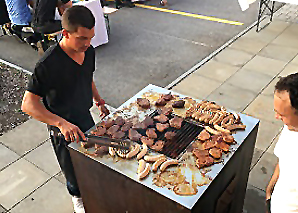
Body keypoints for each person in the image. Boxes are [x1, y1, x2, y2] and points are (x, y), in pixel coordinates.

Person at [21, 5, 109, 213]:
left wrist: (99, 100)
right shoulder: (47, 64)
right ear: (65, 33)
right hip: (63, 129)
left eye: (90, 37)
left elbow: (87, 78)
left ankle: (96, 191)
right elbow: (28, 104)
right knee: (72, 171)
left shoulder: (88, 52)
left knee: (94, 159)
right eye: (81, 38)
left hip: (85, 117)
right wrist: (60, 123)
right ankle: (77, 199)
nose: (87, 44)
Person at [266, 73, 298, 213]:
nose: (276, 117)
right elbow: (282, 160)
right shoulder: (289, 128)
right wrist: (270, 190)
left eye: (283, 115)